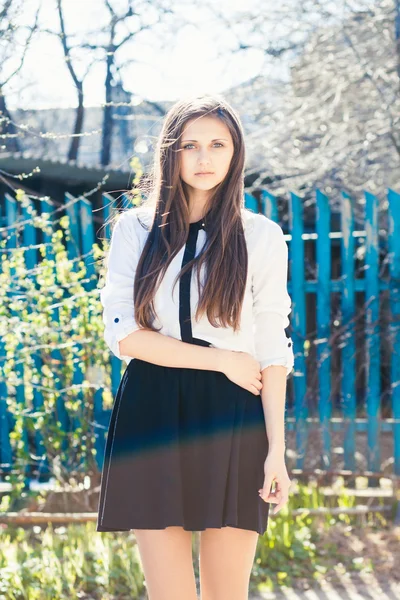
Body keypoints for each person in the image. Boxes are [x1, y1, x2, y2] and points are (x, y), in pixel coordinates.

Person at [96, 95, 295, 600]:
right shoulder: (134, 230)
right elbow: (125, 336)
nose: (204, 158)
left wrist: (278, 451)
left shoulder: (262, 236)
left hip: (234, 413)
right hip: (153, 409)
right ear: (171, 153)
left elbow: (273, 349)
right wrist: (221, 359)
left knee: (227, 594)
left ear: (235, 154)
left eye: (217, 145)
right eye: (190, 145)